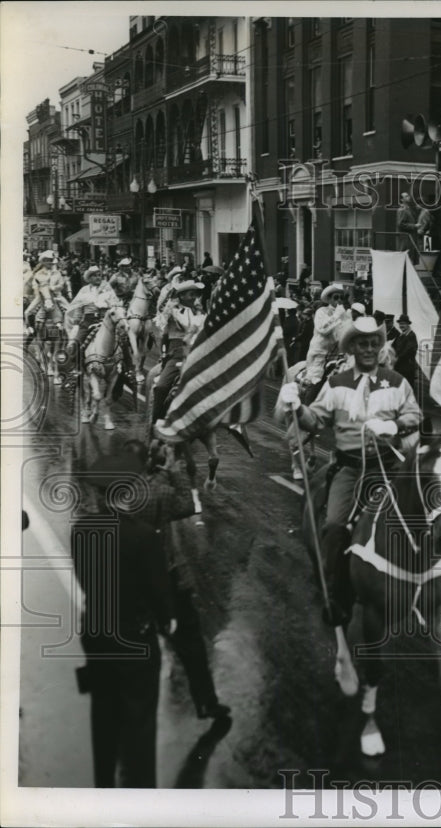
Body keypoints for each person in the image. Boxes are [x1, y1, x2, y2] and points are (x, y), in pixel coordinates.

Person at [276, 316, 421, 627]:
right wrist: (297, 408)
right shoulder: (336, 384)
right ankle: (335, 592)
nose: (368, 348)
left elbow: (415, 415)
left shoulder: (397, 382)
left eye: (373, 343)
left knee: (428, 517)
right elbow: (316, 420)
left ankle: (428, 587)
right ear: (352, 347)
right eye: (362, 343)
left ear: (380, 346)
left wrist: (394, 424)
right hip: (350, 470)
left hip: (390, 467)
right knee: (333, 525)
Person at [72, 447, 176, 787]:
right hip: (135, 639)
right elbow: (160, 594)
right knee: (140, 724)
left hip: (97, 636)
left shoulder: (81, 530)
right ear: (129, 493)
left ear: (101, 495)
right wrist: (167, 620)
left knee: (103, 714)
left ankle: (103, 785)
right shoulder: (145, 538)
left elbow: (86, 580)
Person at [150, 278, 206, 430]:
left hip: (199, 353)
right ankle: (157, 422)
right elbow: (164, 333)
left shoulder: (200, 313)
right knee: (161, 387)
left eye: (195, 294)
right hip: (178, 353)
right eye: (191, 294)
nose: (194, 297)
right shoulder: (173, 312)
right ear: (181, 297)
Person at [24, 250, 70, 329]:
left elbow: (61, 285)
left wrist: (54, 288)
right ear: (43, 261)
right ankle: (31, 331)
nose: (50, 262)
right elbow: (35, 286)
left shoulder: (57, 273)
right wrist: (39, 292)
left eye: (51, 260)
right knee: (27, 312)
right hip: (41, 298)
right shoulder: (38, 274)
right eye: (48, 260)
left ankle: (65, 333)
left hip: (57, 297)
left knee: (70, 311)